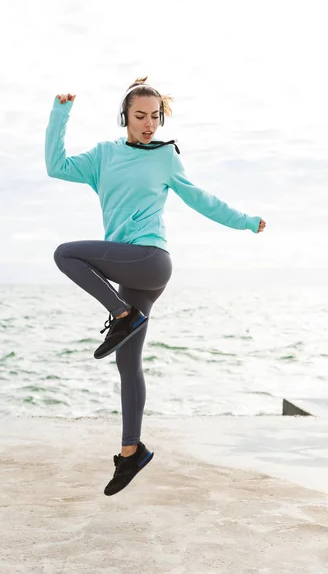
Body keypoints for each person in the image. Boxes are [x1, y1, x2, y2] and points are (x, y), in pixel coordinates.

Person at [45, 76, 266, 496]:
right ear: (124, 117)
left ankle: (123, 314)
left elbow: (201, 199)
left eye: (155, 116)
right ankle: (131, 452)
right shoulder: (103, 156)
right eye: (140, 116)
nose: (149, 124)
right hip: (127, 269)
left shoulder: (165, 158)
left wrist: (246, 221)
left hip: (150, 262)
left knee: (65, 253)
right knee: (127, 364)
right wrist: (60, 113)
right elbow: (55, 166)